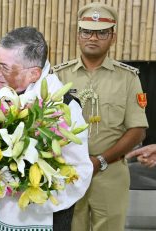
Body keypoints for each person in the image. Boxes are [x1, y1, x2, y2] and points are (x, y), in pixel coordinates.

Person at [0, 26, 92, 231]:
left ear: (34, 74)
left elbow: (79, 174)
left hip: (33, 217)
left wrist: (23, 185)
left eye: (4, 67)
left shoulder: (61, 108)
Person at [54, 2, 149, 231]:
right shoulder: (58, 75)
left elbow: (137, 129)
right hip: (68, 171)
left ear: (112, 37)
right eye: (86, 31)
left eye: (101, 32)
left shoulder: (128, 78)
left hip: (110, 172)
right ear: (78, 35)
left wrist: (101, 160)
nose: (93, 37)